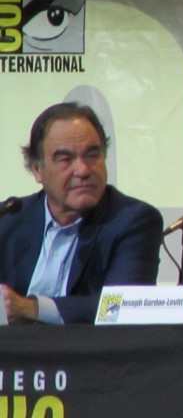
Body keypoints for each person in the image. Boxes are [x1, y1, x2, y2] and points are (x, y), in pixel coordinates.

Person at [0, 102, 163, 324]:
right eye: (66, 159)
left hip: (90, 347)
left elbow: (123, 307)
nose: (83, 170)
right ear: (37, 169)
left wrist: (31, 308)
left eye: (92, 155)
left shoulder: (134, 221)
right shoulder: (8, 218)